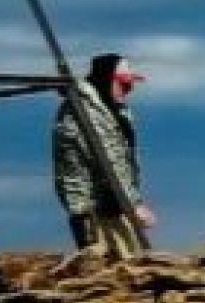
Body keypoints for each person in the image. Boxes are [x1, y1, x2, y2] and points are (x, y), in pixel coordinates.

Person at [52, 51, 153, 261]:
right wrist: (134, 204)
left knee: (134, 263)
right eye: (123, 84)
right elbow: (109, 159)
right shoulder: (87, 112)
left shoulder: (112, 109)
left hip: (112, 203)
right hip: (93, 208)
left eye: (130, 84)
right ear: (107, 79)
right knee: (113, 269)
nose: (128, 89)